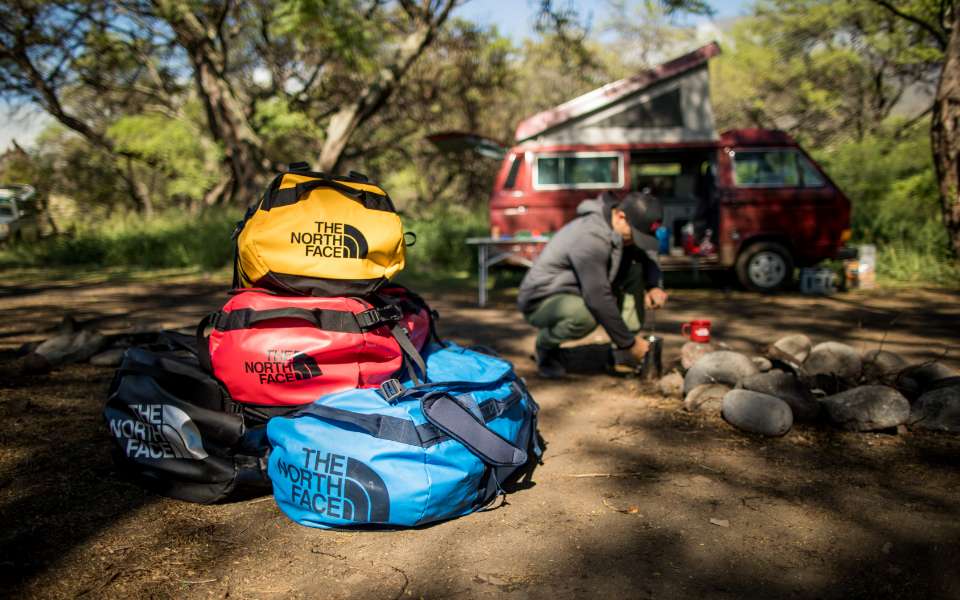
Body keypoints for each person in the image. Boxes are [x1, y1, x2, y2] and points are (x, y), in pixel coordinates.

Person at [517, 191, 669, 378]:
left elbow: (648, 254)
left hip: (579, 290)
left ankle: (621, 354)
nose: (637, 241)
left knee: (635, 269)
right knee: (586, 315)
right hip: (542, 299)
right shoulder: (590, 237)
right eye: (636, 235)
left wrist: (654, 285)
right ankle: (546, 348)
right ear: (621, 217)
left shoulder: (622, 225)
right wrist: (629, 343)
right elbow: (597, 297)